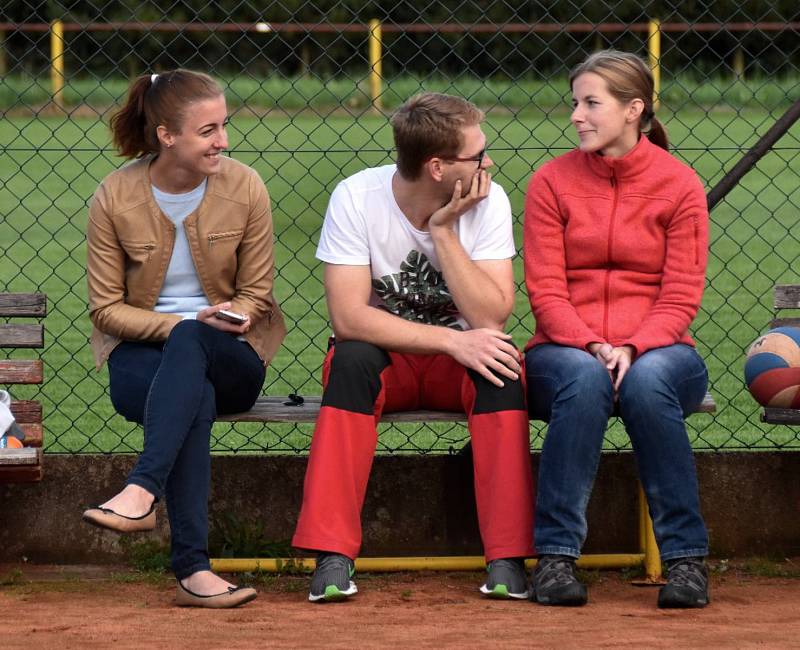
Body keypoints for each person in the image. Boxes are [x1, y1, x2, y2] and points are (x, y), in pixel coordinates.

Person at [292, 92, 535, 602]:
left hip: (459, 363)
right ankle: (331, 555)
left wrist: (443, 231)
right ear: (439, 167)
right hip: (390, 357)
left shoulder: (490, 199)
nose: (489, 163)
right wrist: (451, 339)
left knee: (504, 365)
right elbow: (349, 316)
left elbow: (491, 316)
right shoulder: (356, 196)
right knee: (351, 361)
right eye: (478, 155)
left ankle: (508, 558)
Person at [81, 69, 286, 609]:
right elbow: (105, 308)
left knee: (195, 353)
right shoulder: (115, 195)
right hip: (142, 360)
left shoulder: (245, 186)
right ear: (167, 136)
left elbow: (257, 292)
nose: (223, 141)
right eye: (208, 130)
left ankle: (141, 491)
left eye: (225, 126)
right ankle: (193, 572)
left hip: (232, 355)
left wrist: (230, 317)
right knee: (190, 388)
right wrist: (182, 324)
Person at [524, 49, 711, 609]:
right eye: (574, 103)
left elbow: (680, 295)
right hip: (564, 350)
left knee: (647, 382)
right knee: (584, 378)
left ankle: (686, 563)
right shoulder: (551, 182)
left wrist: (634, 344)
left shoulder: (680, 185)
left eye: (591, 103)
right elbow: (546, 292)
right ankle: (555, 561)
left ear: (634, 110)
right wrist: (593, 344)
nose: (576, 115)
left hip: (664, 351)